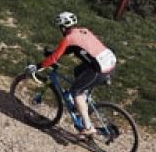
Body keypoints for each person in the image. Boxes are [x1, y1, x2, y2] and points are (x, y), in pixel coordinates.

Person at [38, 11, 117, 140]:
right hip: (110, 62)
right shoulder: (83, 31)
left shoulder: (68, 38)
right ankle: (82, 99)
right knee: (78, 71)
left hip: (99, 69)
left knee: (75, 91)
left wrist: (38, 66)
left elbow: (54, 58)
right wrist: (53, 52)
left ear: (62, 27)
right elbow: (73, 48)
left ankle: (88, 127)